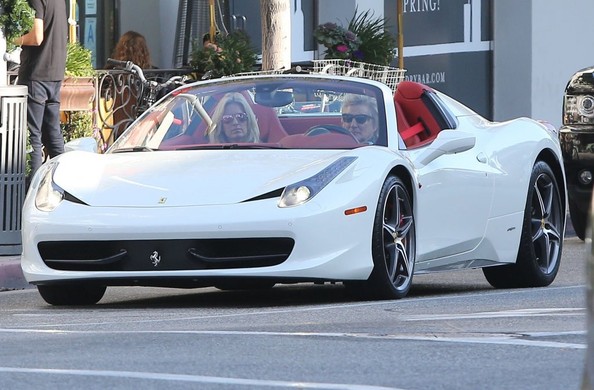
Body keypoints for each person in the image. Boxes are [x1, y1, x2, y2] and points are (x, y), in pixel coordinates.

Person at [16, 0, 68, 182]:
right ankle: (62, 184)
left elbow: (36, 37)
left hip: (36, 73)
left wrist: (11, 39)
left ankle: (31, 192)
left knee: (33, 138)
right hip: (55, 72)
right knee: (53, 135)